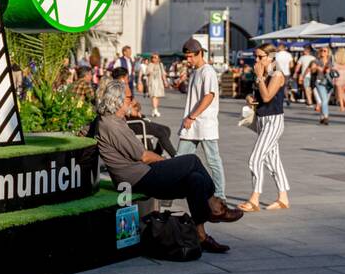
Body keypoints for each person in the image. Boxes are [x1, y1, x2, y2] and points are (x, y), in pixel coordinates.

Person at [94, 79, 242, 253]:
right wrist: (168, 164)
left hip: (142, 173)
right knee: (191, 161)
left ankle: (201, 236)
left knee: (195, 179)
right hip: (137, 178)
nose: (132, 101)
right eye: (129, 97)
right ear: (118, 100)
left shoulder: (115, 120)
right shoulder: (111, 124)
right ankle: (215, 205)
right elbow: (143, 155)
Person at [240, 45, 290, 212]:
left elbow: (268, 96)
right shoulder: (263, 75)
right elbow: (256, 95)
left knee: (255, 158)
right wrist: (249, 98)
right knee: (273, 160)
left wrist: (260, 77)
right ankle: (283, 198)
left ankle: (255, 198)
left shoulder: (277, 75)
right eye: (256, 57)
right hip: (262, 120)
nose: (257, 60)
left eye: (260, 57)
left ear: (271, 57)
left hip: (274, 121)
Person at [177, 38, 225, 202]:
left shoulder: (207, 71)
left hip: (204, 124)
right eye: (186, 57)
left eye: (190, 56)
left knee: (213, 160)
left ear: (200, 53)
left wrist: (192, 116)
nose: (188, 60)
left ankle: (220, 195)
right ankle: (172, 190)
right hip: (192, 124)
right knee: (180, 159)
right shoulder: (195, 71)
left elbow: (209, 96)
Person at [143, 53, 166, 118]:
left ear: (158, 58)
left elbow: (163, 74)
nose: (154, 59)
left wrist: (165, 81)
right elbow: (147, 73)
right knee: (154, 95)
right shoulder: (150, 64)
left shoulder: (161, 65)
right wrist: (150, 72)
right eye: (153, 57)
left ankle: (155, 109)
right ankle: (155, 110)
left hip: (159, 82)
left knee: (157, 96)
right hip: (152, 82)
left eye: (156, 57)